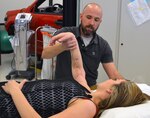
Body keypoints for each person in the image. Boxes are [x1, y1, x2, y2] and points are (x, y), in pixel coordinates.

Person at [0, 33, 150, 118]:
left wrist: (15, 91)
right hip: (10, 94)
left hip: (8, 105)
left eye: (115, 80)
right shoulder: (88, 94)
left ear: (111, 90)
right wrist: (73, 42)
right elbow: (79, 71)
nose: (111, 78)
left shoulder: (88, 107)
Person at [42, 3, 124, 88]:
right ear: (81, 16)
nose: (92, 23)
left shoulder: (103, 45)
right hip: (62, 89)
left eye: (96, 20)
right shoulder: (66, 33)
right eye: (88, 17)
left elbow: (114, 75)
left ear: (100, 22)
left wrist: (133, 88)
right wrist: (63, 46)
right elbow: (45, 54)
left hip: (88, 91)